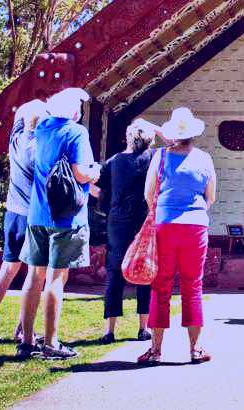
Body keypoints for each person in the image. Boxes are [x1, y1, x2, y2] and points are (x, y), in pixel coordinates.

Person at [17, 87, 101, 360]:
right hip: (66, 217)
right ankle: (51, 342)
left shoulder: (42, 129)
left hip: (37, 214)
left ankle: (26, 340)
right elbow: (79, 173)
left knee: (34, 276)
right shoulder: (77, 132)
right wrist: (94, 172)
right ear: (74, 111)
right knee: (56, 278)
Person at [137, 107, 216, 366]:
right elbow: (211, 197)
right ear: (193, 134)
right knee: (193, 287)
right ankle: (195, 349)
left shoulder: (159, 157)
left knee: (160, 287)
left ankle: (156, 350)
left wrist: (161, 211)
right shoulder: (204, 158)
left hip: (165, 225)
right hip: (195, 227)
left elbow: (149, 194)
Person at [0, 98, 48, 343]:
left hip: (13, 214)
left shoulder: (15, 141)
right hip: (33, 216)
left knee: (8, 269)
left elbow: (22, 116)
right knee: (36, 274)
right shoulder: (41, 151)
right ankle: (22, 329)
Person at [98, 117, 158, 343]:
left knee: (114, 273)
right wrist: (156, 127)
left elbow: (96, 188)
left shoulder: (114, 161)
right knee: (145, 271)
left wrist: (110, 200)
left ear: (129, 138)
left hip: (117, 221)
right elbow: (174, 142)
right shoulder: (153, 158)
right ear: (149, 139)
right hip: (144, 221)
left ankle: (109, 331)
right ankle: (143, 328)